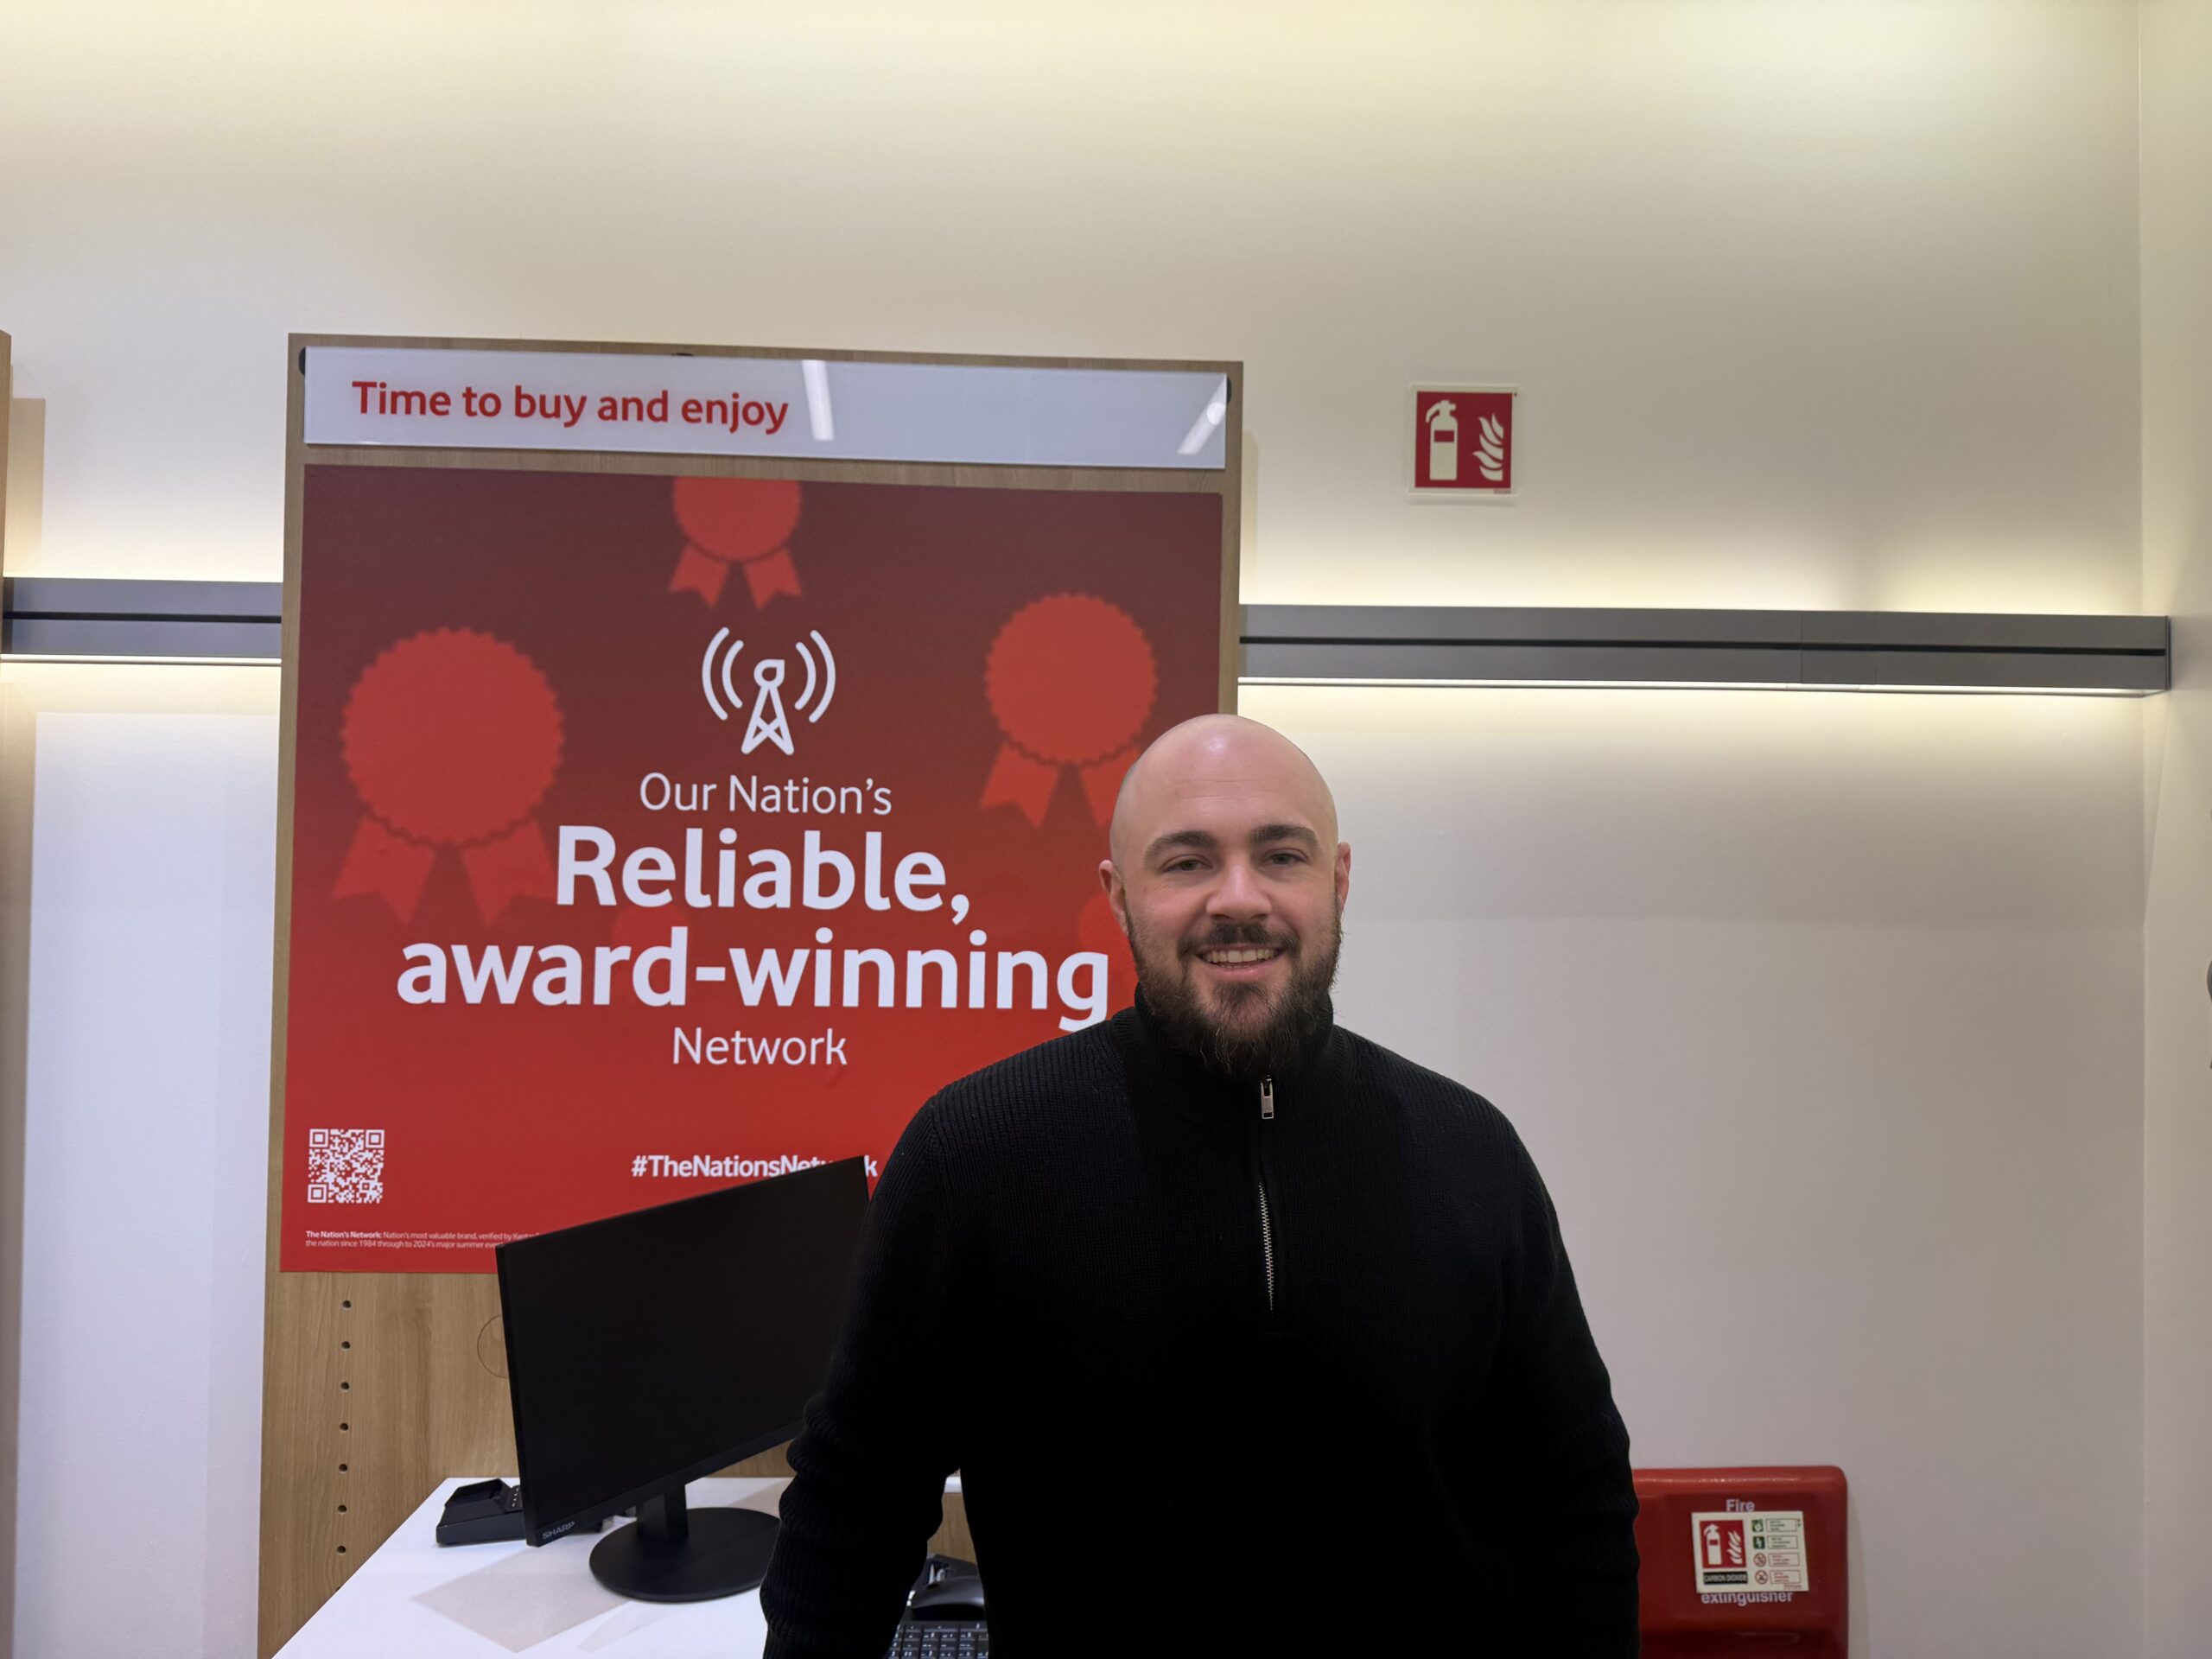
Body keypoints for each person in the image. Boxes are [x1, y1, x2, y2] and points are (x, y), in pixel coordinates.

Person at [761, 715, 1639, 1656]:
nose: (1238, 898)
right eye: (1185, 862)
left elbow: (1573, 1506)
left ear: (1336, 881)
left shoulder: (1473, 1155)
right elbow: (854, 1510)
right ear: (1119, 896)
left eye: (1280, 856)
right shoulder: (974, 1157)